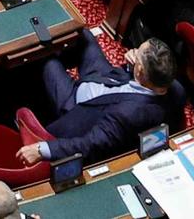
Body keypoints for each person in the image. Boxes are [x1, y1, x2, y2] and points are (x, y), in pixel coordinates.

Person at [23, 36, 183, 165]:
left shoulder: (127, 115)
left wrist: (41, 149)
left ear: (140, 70)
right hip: (108, 78)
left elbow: (90, 145)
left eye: (137, 53)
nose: (133, 52)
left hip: (77, 105)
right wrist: (131, 67)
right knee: (83, 36)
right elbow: (140, 81)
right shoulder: (173, 85)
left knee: (46, 58)